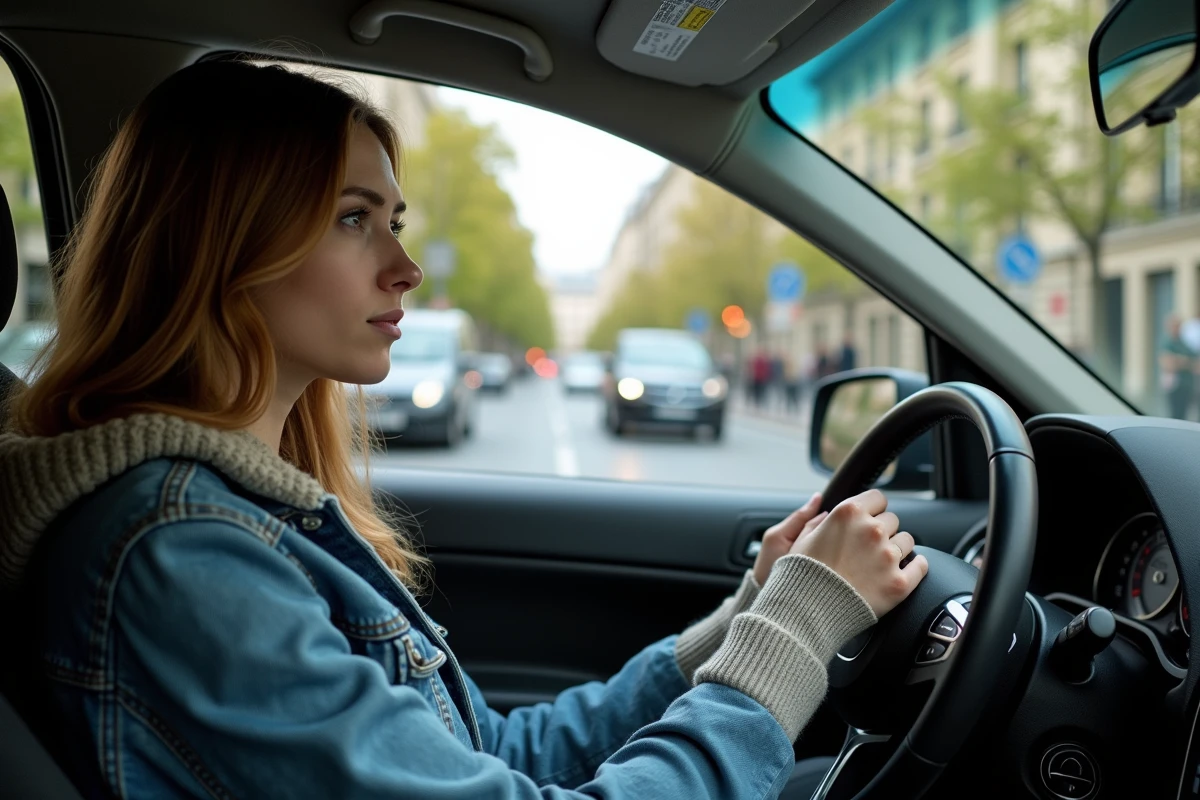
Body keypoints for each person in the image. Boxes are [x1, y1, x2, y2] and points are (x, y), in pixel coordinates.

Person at [0, 60, 928, 799]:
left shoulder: (233, 514)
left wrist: (745, 620)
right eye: (354, 219)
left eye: (394, 221)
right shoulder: (180, 555)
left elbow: (490, 749)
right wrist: (799, 631)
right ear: (220, 242)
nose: (405, 267)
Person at [1160, 314, 1196, 420]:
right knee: (1175, 415)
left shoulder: (1184, 343)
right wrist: (1185, 362)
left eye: (1178, 326)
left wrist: (1180, 361)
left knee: (1184, 414)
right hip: (1174, 385)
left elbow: (1195, 363)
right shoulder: (1167, 343)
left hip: (1187, 384)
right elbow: (1168, 363)